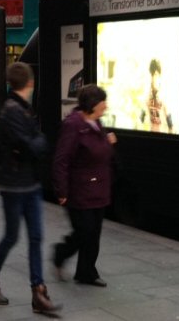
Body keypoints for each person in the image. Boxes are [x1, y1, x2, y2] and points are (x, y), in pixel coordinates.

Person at [0, 63, 61, 314]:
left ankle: (39, 292)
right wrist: (39, 141)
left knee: (35, 237)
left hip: (29, 182)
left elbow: (33, 143)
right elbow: (32, 145)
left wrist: (37, 142)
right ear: (30, 83)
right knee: (12, 236)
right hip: (15, 185)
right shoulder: (13, 110)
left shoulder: (22, 108)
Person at [52, 84, 116, 287]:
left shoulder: (97, 123)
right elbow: (61, 159)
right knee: (84, 232)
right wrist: (61, 190)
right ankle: (61, 253)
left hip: (99, 188)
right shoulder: (73, 125)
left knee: (94, 233)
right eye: (103, 102)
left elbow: (101, 152)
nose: (106, 106)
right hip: (79, 189)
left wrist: (108, 143)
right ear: (93, 104)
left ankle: (87, 272)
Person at [140, 58, 173, 133]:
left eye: (156, 75)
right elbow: (141, 120)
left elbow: (170, 124)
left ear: (159, 76)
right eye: (152, 75)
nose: (153, 78)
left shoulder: (164, 95)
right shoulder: (147, 95)